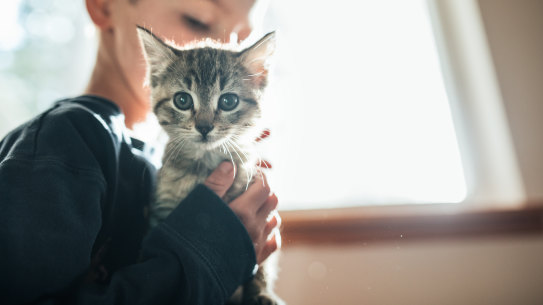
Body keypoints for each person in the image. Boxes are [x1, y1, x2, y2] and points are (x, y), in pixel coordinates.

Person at [0, 0, 281, 304]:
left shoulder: (159, 157)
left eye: (241, 39)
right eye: (198, 22)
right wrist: (209, 254)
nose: (219, 48)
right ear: (104, 6)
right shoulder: (61, 142)